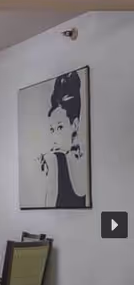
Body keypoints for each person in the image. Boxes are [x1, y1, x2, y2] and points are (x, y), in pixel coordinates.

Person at [36, 70, 88, 208]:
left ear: (75, 124)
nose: (54, 137)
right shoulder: (54, 160)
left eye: (60, 128)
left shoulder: (55, 160)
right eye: (52, 130)